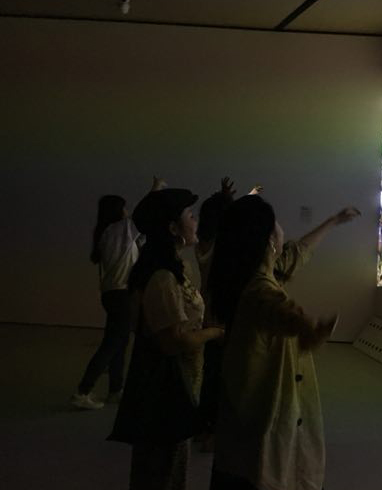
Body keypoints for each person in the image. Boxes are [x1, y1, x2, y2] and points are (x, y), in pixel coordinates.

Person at [208, 196, 359, 490]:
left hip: (241, 427)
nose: (282, 231)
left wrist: (334, 221)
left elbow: (298, 251)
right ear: (268, 241)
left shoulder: (249, 275)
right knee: (265, 473)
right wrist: (310, 329)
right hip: (263, 422)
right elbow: (279, 310)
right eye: (276, 225)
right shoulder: (259, 290)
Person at [108, 186, 225, 490]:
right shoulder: (162, 276)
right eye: (190, 216)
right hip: (165, 388)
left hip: (177, 382)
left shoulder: (171, 268)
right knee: (163, 469)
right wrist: (214, 332)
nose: (195, 221)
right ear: (172, 228)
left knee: (168, 466)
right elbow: (173, 341)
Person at [71, 178, 164, 410]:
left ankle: (115, 389)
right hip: (120, 295)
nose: (127, 211)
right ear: (117, 211)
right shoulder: (119, 229)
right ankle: (83, 391)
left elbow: (139, 238)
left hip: (112, 294)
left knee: (120, 342)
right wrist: (155, 189)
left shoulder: (108, 233)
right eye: (124, 207)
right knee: (113, 343)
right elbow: (143, 213)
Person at [195, 177, 261, 452]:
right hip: (223, 318)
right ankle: (213, 430)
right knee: (222, 376)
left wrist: (229, 197)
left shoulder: (203, 244)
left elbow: (227, 217)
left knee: (212, 372)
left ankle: (206, 427)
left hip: (210, 317)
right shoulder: (222, 247)